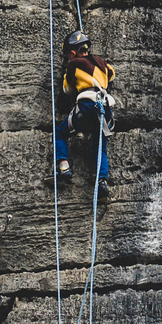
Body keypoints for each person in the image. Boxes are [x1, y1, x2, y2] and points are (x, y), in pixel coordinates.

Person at [55, 30, 116, 198]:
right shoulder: (102, 63)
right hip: (104, 108)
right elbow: (112, 74)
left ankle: (64, 167)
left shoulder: (73, 64)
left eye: (69, 54)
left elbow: (67, 89)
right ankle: (102, 180)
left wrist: (69, 71)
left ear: (73, 52)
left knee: (60, 133)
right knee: (100, 147)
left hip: (87, 105)